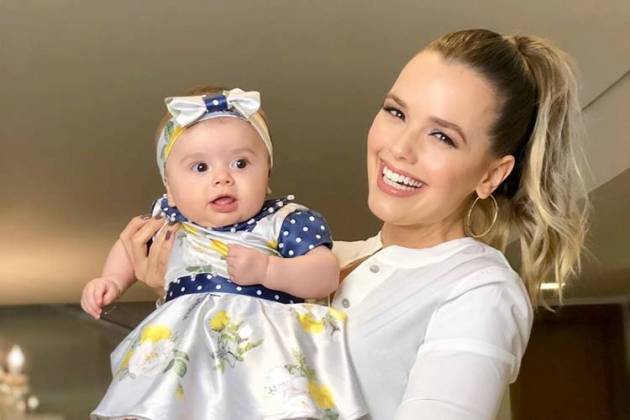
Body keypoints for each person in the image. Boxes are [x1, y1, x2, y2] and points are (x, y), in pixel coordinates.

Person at [121, 29, 589, 420]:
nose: (399, 148)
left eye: (442, 136)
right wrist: (176, 288)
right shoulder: (322, 258)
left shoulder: (478, 288)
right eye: (396, 112)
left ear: (491, 175)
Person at [82, 86, 367, 419]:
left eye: (240, 163)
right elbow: (127, 247)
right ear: (169, 188)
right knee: (163, 405)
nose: (222, 178)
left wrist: (268, 271)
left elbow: (325, 274)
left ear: (267, 174)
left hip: (262, 356)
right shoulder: (169, 223)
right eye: (200, 167)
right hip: (185, 352)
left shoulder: (282, 221)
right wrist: (111, 281)